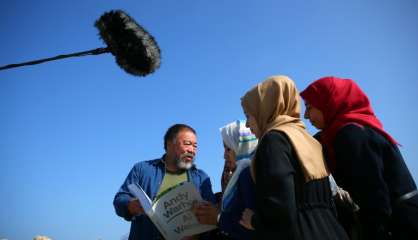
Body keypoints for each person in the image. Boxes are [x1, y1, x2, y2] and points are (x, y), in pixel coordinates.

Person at [300, 76, 418, 239]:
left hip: (399, 225)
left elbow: (376, 198)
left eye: (309, 107)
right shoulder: (342, 133)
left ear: (328, 102)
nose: (305, 115)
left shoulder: (350, 136)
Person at [238, 75, 348, 239]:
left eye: (248, 115)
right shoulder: (309, 140)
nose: (247, 124)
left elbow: (281, 212)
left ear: (265, 109)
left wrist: (254, 221)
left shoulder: (274, 140)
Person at [113, 124, 216, 240]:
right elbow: (119, 199)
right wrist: (131, 205)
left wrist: (197, 234)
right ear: (169, 144)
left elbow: (211, 221)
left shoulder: (201, 179)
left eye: (195, 146)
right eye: (187, 144)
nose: (192, 150)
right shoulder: (142, 169)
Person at [194, 120, 258, 240]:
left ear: (242, 146)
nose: (224, 156)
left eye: (228, 149)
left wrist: (218, 217)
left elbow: (250, 227)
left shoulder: (248, 175)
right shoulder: (248, 172)